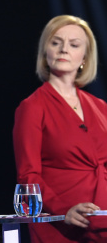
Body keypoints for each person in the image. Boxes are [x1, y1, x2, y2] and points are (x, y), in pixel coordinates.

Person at [13, 15, 107, 242]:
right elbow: (28, 175)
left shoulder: (101, 107)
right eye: (56, 42)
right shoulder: (32, 107)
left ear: (84, 57)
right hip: (60, 224)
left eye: (74, 45)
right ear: (46, 51)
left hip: (102, 222)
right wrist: (64, 209)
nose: (64, 49)